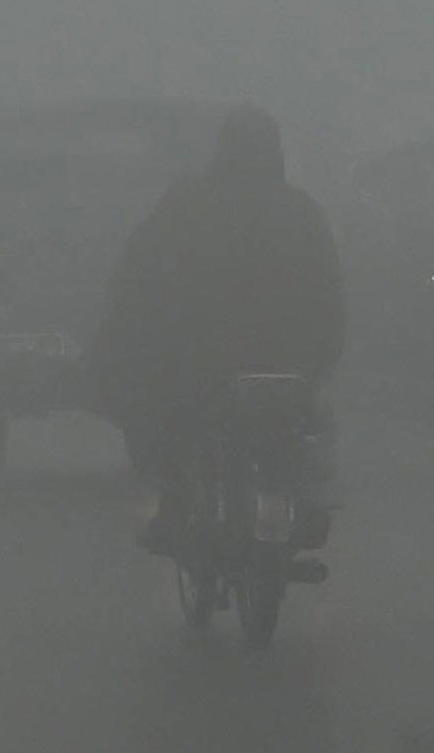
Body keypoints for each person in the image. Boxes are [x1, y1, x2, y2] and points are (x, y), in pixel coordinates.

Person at [94, 104, 346, 550]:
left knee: (168, 420)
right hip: (286, 358)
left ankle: (175, 511)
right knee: (305, 424)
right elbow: (330, 290)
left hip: (201, 358)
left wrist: (127, 333)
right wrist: (320, 357)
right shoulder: (299, 209)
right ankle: (307, 506)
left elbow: (137, 274)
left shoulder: (187, 202)